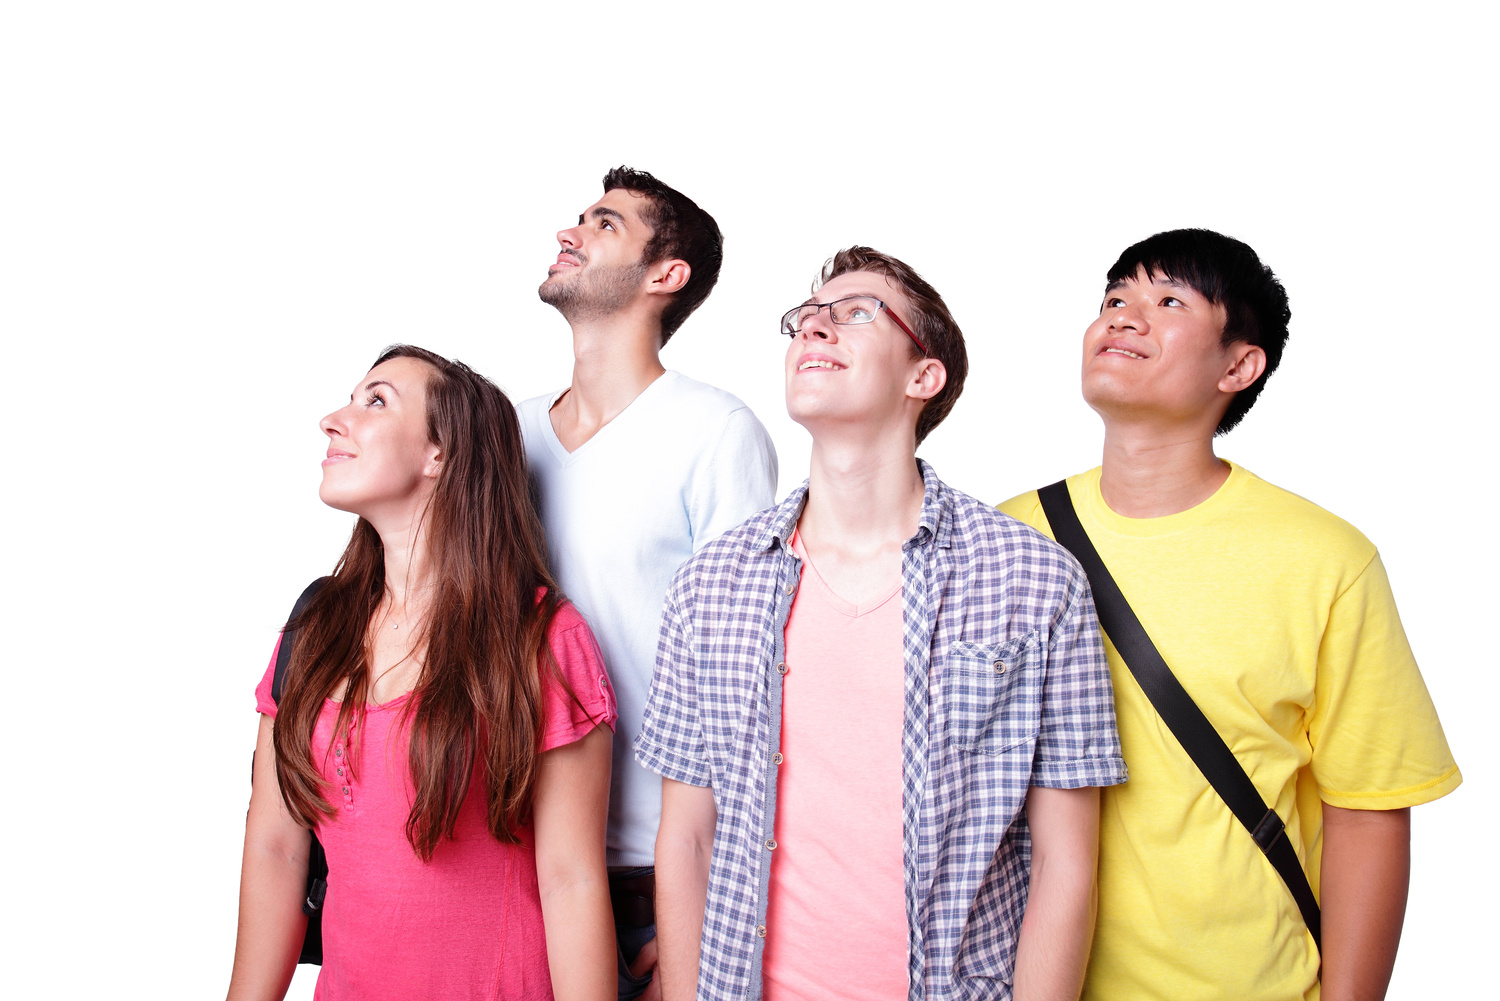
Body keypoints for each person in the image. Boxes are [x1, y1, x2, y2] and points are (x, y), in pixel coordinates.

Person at [638, 247, 1128, 1001]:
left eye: (854, 312)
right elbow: (687, 837)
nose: (816, 328)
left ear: (921, 376)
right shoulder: (712, 583)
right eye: (806, 318)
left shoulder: (1033, 579)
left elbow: (1066, 862)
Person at [999, 229, 1462, 1001]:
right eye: (1115, 298)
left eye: (1168, 301)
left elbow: (1369, 813)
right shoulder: (1005, 539)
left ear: (1239, 366)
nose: (1124, 316)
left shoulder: (1324, 560)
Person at [228, 345, 617, 1001]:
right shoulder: (315, 628)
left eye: (375, 400)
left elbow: (572, 880)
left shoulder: (542, 637)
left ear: (441, 453)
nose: (333, 419)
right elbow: (274, 848)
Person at [519, 167, 778, 998]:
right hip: (501, 857)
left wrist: (695, 910)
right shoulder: (507, 431)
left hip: (643, 875)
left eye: (604, 223)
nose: (571, 232)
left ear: (666, 276)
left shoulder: (716, 432)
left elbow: (751, 687)